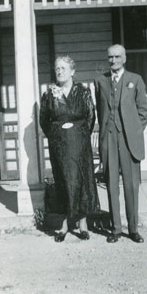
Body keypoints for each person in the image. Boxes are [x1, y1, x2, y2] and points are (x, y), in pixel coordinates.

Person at [40, 55, 99, 242]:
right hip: (59, 145)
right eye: (57, 68)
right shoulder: (49, 94)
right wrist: (58, 134)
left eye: (63, 68)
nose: (59, 71)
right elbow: (44, 121)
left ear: (73, 71)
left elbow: (91, 117)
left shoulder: (83, 92)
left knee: (80, 181)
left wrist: (78, 133)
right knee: (64, 181)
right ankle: (64, 225)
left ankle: (83, 224)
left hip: (80, 144)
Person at [94, 44, 147, 243]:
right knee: (111, 185)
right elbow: (100, 112)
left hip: (128, 140)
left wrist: (133, 132)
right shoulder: (100, 81)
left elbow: (143, 112)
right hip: (109, 138)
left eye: (117, 57)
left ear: (124, 59)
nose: (114, 60)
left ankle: (133, 229)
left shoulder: (136, 80)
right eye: (110, 57)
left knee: (131, 185)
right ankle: (116, 229)